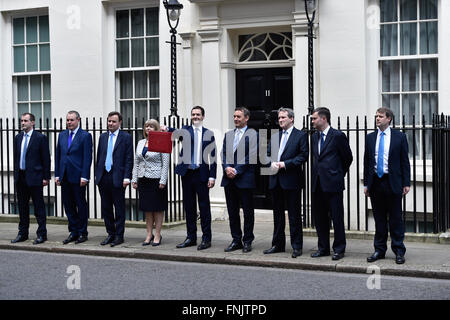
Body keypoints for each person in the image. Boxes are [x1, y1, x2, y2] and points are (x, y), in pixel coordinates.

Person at [364, 107, 410, 265]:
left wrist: (406, 183)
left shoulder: (399, 137)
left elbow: (405, 161)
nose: (377, 119)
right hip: (376, 182)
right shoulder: (370, 138)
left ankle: (398, 251)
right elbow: (367, 162)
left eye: (380, 116)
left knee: (396, 219)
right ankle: (379, 250)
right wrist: (366, 184)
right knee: (379, 219)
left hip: (393, 182)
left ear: (389, 118)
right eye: (376, 116)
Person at [263, 108, 308, 258]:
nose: (280, 120)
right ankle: (277, 244)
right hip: (275, 180)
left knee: (294, 215)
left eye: (283, 117)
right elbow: (267, 154)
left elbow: (303, 156)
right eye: (279, 118)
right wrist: (271, 163)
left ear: (291, 119)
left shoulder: (300, 135)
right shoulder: (275, 136)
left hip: (292, 181)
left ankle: (296, 246)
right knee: (278, 215)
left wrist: (284, 164)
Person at [171, 106, 217, 250]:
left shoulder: (208, 133)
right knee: (189, 207)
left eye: (198, 114)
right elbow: (174, 133)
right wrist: (166, 128)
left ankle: (206, 238)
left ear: (203, 116)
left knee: (204, 208)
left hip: (201, 174)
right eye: (193, 114)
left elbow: (213, 157)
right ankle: (191, 237)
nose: (195, 116)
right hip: (187, 174)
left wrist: (212, 176)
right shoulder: (186, 131)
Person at [310, 107, 353, 260]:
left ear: (324, 119)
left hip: (333, 183)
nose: (312, 122)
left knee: (337, 217)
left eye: (314, 119)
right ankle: (323, 248)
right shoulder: (314, 137)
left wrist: (338, 173)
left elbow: (347, 157)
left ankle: (339, 249)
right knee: (320, 218)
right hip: (317, 183)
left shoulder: (338, 136)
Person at [221, 107, 257, 253]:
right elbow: (223, 153)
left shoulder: (253, 134)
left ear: (246, 118)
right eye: (234, 116)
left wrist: (236, 170)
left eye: (239, 117)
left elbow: (252, 155)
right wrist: (226, 167)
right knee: (232, 212)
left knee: (248, 212)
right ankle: (236, 240)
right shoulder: (228, 134)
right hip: (229, 179)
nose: (235, 119)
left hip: (245, 178)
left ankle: (247, 240)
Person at [95, 111, 133, 247]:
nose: (110, 124)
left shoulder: (126, 137)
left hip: (118, 177)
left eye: (113, 121)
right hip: (103, 176)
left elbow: (129, 159)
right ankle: (110, 234)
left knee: (119, 208)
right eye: (109, 121)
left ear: (119, 123)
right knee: (106, 208)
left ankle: (119, 235)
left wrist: (127, 177)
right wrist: (97, 175)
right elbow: (99, 156)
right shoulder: (103, 137)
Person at [11, 113, 50, 245]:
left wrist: (46, 177)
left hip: (35, 177)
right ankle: (23, 233)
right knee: (22, 208)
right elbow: (16, 158)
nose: (23, 123)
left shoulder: (40, 138)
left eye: (25, 121)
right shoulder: (18, 138)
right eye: (21, 120)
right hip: (21, 177)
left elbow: (46, 159)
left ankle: (42, 234)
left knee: (39, 207)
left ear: (32, 123)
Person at [55, 111, 93, 245]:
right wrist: (58, 174)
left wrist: (85, 176)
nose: (69, 122)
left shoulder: (85, 136)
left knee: (80, 205)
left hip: (78, 177)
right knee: (68, 205)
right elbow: (58, 155)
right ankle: (73, 231)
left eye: (71, 120)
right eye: (67, 120)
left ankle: (83, 232)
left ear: (78, 120)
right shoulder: (62, 135)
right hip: (64, 176)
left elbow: (87, 158)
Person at [132, 119, 169, 247]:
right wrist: (134, 179)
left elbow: (165, 164)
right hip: (143, 179)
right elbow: (136, 162)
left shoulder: (161, 141)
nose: (148, 128)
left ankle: (157, 234)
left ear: (156, 128)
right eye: (146, 126)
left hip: (156, 180)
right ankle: (149, 234)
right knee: (147, 209)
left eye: (151, 126)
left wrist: (163, 180)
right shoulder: (140, 142)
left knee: (157, 208)